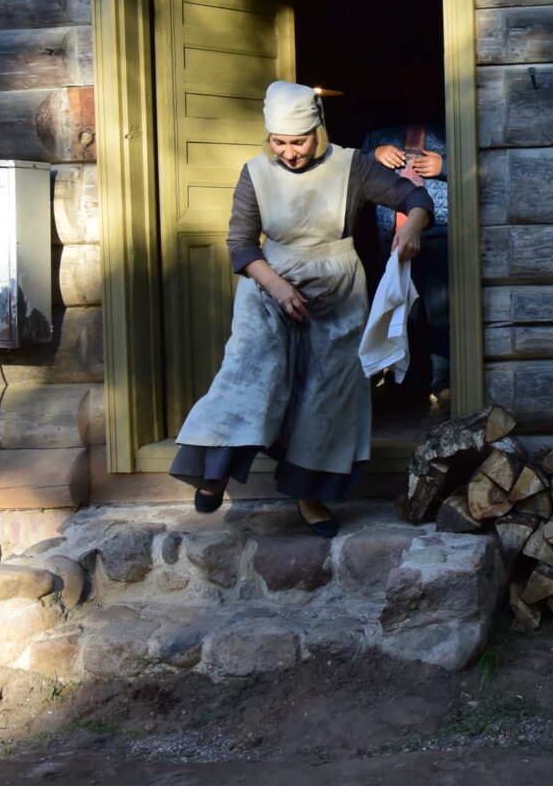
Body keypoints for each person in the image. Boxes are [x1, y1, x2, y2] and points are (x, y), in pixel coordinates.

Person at [170, 81, 434, 536]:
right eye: (279, 142)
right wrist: (277, 288)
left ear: (319, 132)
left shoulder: (352, 166)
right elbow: (239, 244)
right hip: (270, 283)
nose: (289, 152)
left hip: (337, 288)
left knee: (326, 393)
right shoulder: (255, 173)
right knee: (250, 371)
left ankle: (307, 495)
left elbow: (414, 197)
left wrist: (413, 226)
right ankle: (213, 470)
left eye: (299, 141)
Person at [360, 120, 451, 412]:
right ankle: (400, 388)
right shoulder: (379, 134)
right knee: (397, 312)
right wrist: (375, 155)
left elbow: (482, 165)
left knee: (440, 314)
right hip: (392, 238)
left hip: (440, 235)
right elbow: (346, 168)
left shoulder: (448, 129)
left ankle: (443, 388)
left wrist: (445, 163)